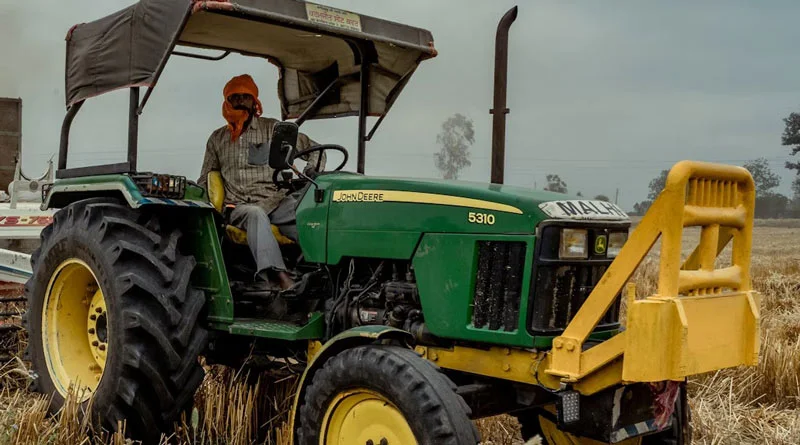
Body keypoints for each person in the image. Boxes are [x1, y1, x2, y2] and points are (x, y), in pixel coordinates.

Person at [198, 74, 325, 291]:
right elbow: (205, 178)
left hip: (275, 201)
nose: (240, 101)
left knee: (312, 215)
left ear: (254, 101)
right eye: (234, 97)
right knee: (255, 214)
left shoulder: (273, 130)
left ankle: (322, 274)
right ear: (227, 101)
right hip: (239, 206)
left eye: (245, 96)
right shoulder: (217, 139)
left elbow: (316, 150)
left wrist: (312, 170)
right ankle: (279, 278)